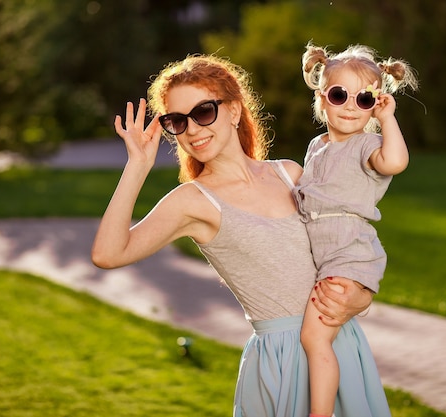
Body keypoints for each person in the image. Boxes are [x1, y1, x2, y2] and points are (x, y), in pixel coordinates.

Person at [91, 53, 390, 417]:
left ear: (233, 111)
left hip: (339, 342)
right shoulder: (193, 201)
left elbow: (347, 238)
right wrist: (138, 165)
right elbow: (107, 254)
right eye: (178, 121)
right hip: (281, 362)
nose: (194, 130)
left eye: (203, 112)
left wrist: (359, 297)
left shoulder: (291, 174)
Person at [295, 42, 418, 417]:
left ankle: (320, 413)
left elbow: (395, 161)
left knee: (313, 337)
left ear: (375, 105)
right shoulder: (316, 145)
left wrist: (390, 119)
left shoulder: (369, 145)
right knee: (323, 335)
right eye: (339, 95)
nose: (350, 105)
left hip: (349, 252)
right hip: (325, 253)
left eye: (363, 99)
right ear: (322, 99)